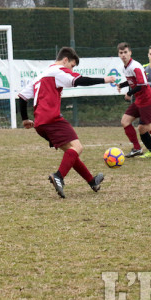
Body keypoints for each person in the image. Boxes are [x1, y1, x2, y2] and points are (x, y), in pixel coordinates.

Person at [17, 47, 116, 199]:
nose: (72, 69)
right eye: (72, 65)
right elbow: (80, 80)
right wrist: (104, 79)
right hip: (52, 119)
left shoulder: (41, 75)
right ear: (65, 60)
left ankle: (92, 181)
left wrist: (24, 119)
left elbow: (23, 97)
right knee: (77, 147)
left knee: (71, 152)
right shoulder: (58, 70)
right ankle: (58, 176)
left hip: (40, 124)